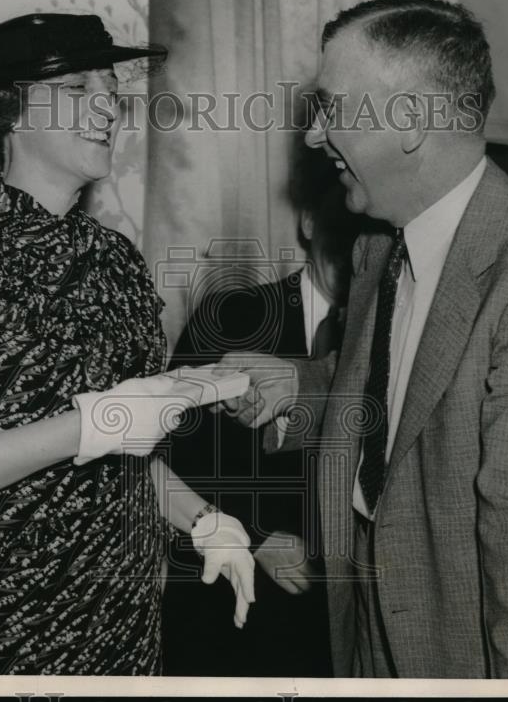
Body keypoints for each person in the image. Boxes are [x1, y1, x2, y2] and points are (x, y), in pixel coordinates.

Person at [216, 0, 508, 678]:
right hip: (367, 627)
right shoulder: (381, 244)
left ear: (408, 121)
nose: (313, 137)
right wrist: (297, 387)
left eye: (332, 108)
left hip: (470, 649)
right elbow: (402, 389)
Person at [0, 13, 255, 675]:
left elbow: (122, 448)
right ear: (8, 112)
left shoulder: (117, 262)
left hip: (121, 636)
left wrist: (203, 520)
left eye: (110, 90)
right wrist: (93, 425)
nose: (106, 108)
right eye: (74, 89)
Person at [161, 164, 363, 677]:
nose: (352, 247)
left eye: (365, 233)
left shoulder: (381, 339)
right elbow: (172, 449)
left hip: (340, 622)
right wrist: (256, 536)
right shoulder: (231, 314)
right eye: (340, 225)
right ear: (309, 222)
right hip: (226, 611)